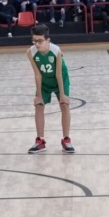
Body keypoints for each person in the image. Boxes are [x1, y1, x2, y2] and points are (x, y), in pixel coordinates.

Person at [26, 24, 74, 154]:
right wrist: (38, 95)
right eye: (34, 41)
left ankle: (66, 139)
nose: (37, 44)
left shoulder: (56, 51)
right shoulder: (30, 52)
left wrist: (62, 94)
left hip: (60, 79)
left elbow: (58, 74)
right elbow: (37, 74)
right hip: (44, 81)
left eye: (40, 41)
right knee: (39, 105)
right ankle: (40, 141)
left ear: (48, 40)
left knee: (64, 105)